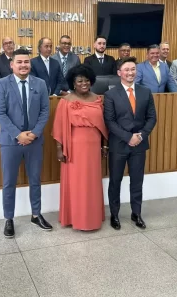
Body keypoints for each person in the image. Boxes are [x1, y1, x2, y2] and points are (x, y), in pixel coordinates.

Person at [0, 48, 52, 238]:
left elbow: (45, 111)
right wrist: (18, 135)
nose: (23, 65)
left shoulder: (40, 84)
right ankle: (8, 219)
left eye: (26, 62)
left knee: (35, 180)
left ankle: (36, 215)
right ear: (12, 65)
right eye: (19, 62)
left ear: (30, 64)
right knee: (9, 182)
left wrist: (34, 134)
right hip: (10, 141)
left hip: (34, 141)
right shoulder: (1, 84)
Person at [52, 65, 108, 231]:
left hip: (93, 146)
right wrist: (59, 148)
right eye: (79, 81)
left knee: (92, 182)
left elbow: (104, 125)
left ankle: (93, 217)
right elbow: (59, 126)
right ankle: (73, 217)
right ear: (73, 83)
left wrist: (105, 145)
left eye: (87, 80)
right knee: (76, 183)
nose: (84, 83)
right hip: (74, 146)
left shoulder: (98, 99)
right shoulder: (66, 101)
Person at [103, 57, 157, 230]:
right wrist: (128, 137)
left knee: (137, 181)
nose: (130, 72)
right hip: (119, 145)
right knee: (115, 181)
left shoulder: (145, 92)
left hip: (139, 145)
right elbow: (109, 121)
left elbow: (152, 118)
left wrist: (140, 136)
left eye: (133, 69)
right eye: (126, 69)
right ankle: (115, 215)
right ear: (119, 73)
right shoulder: (110, 94)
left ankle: (137, 213)